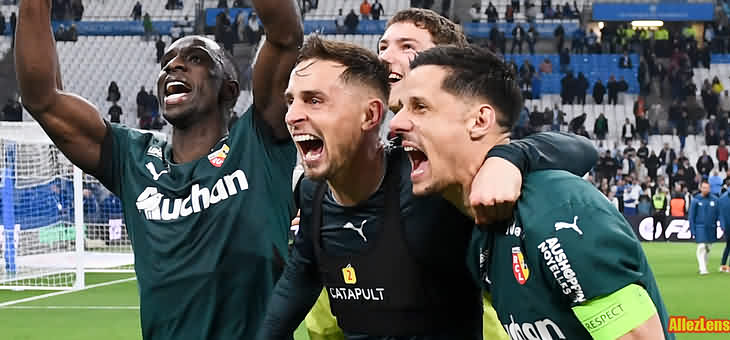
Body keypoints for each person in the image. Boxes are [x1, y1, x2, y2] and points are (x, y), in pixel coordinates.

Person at [295, 8, 598, 339]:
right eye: (382, 46)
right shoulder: (375, 167)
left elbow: (580, 149)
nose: (385, 58)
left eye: (406, 46)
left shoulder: (473, 155)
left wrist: (510, 156)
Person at [15, 0, 303, 338]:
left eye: (195, 59)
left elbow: (285, 36)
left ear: (229, 88)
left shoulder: (258, 143)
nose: (174, 66)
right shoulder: (132, 158)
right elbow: (43, 99)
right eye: (167, 62)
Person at [390, 45, 673, 340]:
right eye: (400, 110)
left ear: (479, 121)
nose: (396, 123)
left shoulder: (558, 210)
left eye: (420, 107)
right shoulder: (481, 236)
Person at [689, 181, 719, 275]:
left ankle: (704, 265)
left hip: (711, 227)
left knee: (708, 247)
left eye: (707, 188)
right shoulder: (696, 200)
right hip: (700, 227)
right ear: (700, 188)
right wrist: (693, 230)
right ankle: (703, 268)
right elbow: (691, 216)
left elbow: (718, 213)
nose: (706, 189)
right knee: (701, 246)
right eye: (704, 187)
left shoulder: (714, 200)